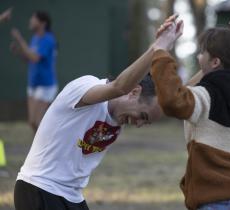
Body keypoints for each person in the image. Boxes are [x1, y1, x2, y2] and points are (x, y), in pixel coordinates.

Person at [14, 15, 182, 210]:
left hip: (71, 196)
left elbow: (182, 100)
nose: (137, 124)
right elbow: (119, 87)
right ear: (134, 92)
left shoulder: (118, 119)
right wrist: (158, 47)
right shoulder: (85, 87)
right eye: (142, 117)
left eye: (145, 123)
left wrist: (218, 58)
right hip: (38, 188)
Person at [151, 9, 230, 210]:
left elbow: (173, 100)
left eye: (202, 53)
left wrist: (161, 50)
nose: (199, 56)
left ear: (215, 61)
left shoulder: (207, 96)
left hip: (218, 203)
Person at [11, 11, 58, 132]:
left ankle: (48, 146)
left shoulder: (48, 39)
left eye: (33, 18)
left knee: (38, 122)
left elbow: (35, 58)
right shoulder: (35, 38)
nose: (31, 21)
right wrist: (19, 51)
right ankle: (40, 148)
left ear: (42, 23)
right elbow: (29, 59)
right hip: (33, 83)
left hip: (45, 85)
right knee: (32, 123)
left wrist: (20, 39)